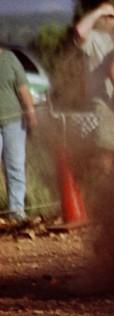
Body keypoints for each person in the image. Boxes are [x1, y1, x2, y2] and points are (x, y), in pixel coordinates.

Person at [74, 2, 114, 173]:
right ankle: (103, 185)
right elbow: (79, 31)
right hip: (101, 100)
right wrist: (99, 11)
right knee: (106, 147)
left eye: (112, 16)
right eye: (105, 16)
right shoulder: (93, 36)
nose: (107, 20)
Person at [0, 47, 37, 223]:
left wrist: (30, 111)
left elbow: (22, 87)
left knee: (14, 166)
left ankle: (16, 211)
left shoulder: (10, 58)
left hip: (13, 122)